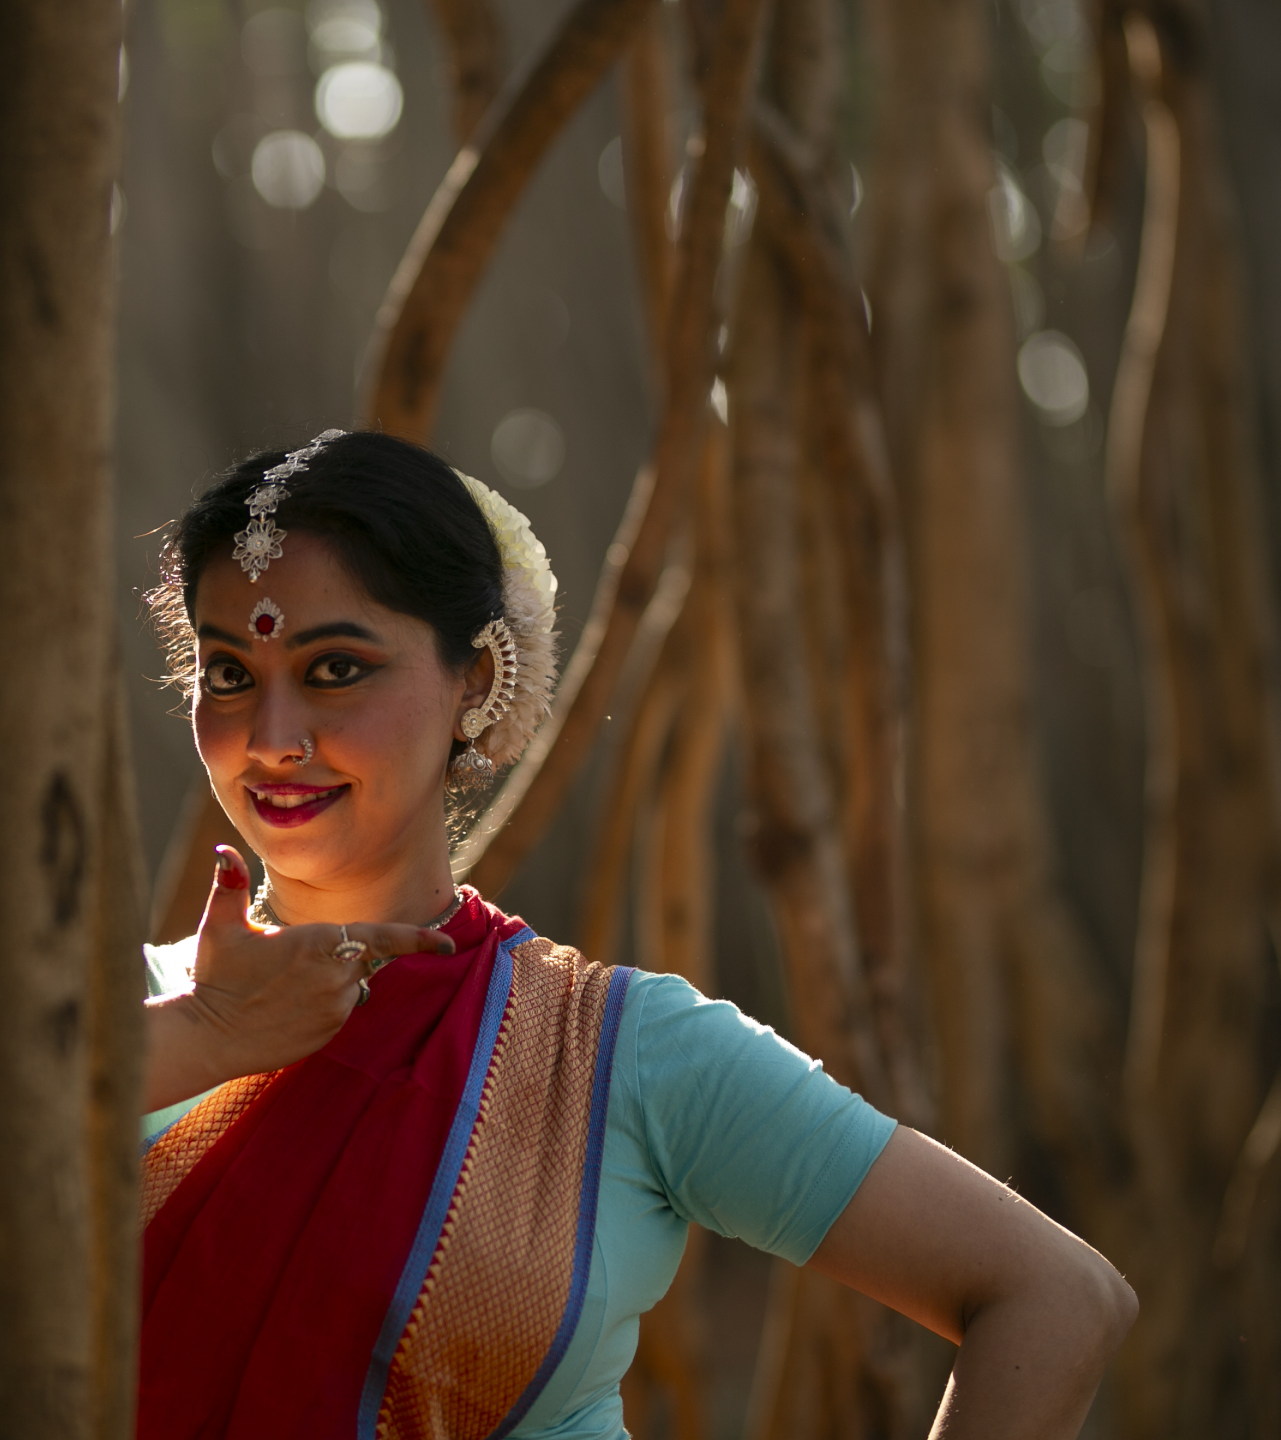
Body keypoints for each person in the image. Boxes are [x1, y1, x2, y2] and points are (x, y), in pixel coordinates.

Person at [136, 429, 1134, 1440]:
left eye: (336, 667)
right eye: (227, 675)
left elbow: (1056, 1298)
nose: (270, 738)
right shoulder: (112, 1031)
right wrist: (212, 1035)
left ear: (474, 681)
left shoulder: (611, 1056)